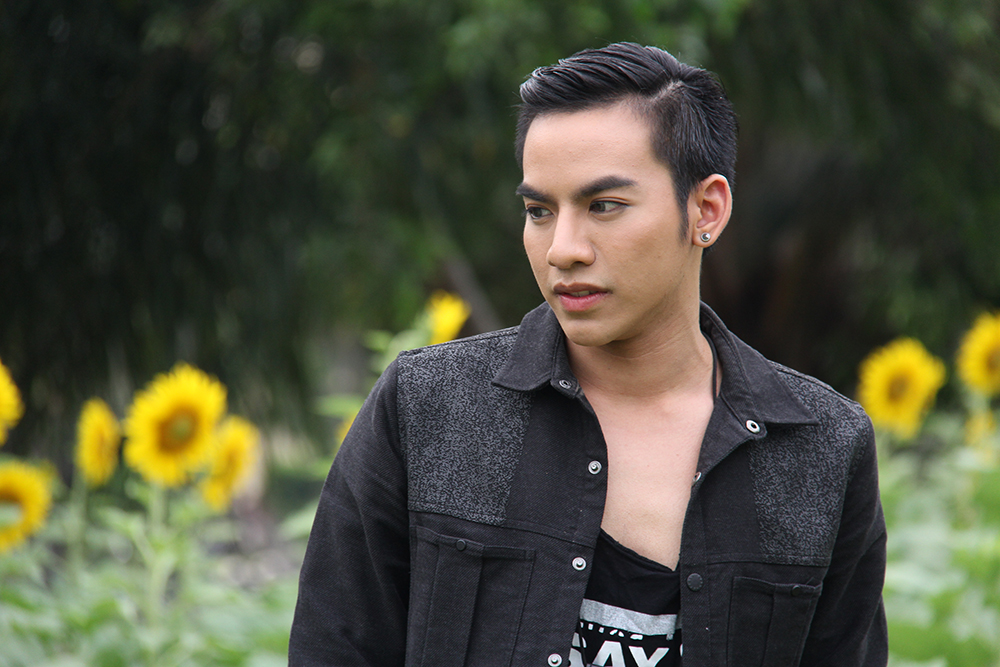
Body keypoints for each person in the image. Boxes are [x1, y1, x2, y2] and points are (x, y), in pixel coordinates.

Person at [289, 42, 887, 667]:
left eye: (604, 205)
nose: (563, 249)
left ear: (705, 210)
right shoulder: (426, 409)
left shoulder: (821, 447)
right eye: (539, 211)